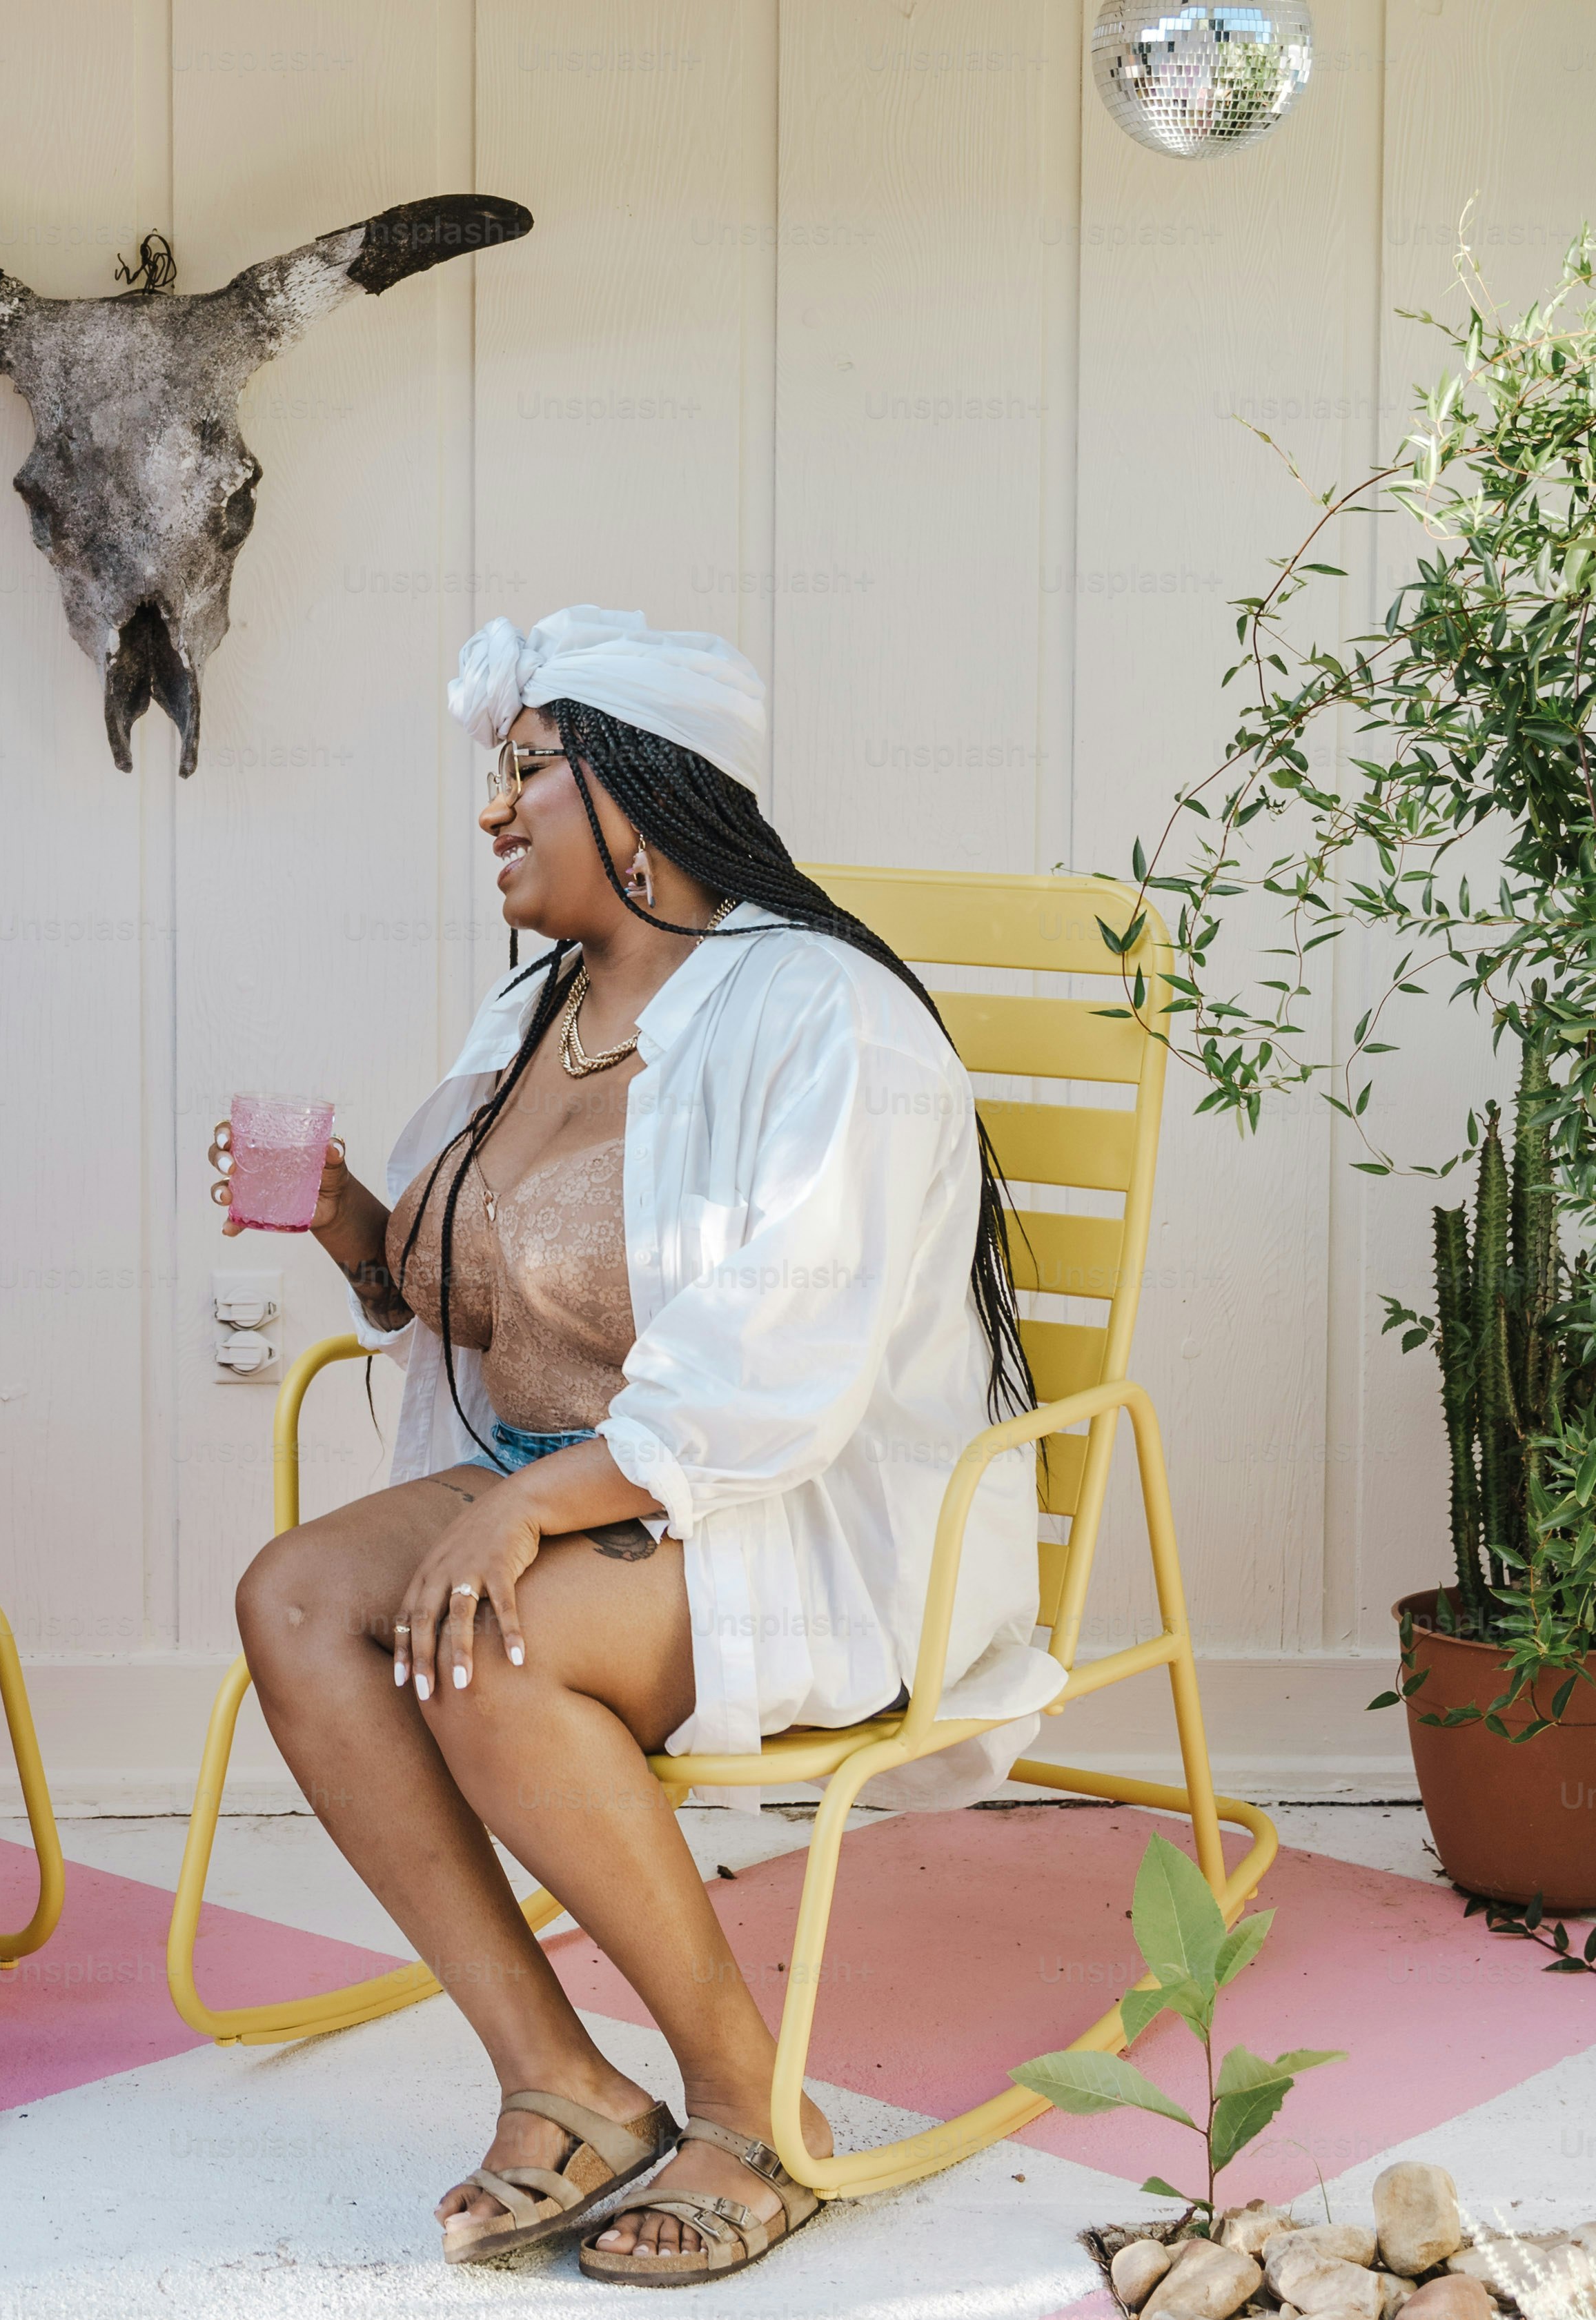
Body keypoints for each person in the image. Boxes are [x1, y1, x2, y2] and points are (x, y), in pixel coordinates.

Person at [214, 609, 1058, 2286]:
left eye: (526, 768)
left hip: (777, 1511)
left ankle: (751, 2111)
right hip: (562, 1477)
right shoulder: (538, 1003)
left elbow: (786, 1358)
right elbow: (480, 1290)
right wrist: (352, 1223)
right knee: (295, 1598)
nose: (488, 809)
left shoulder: (823, 1014)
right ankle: (564, 2082)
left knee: (485, 1639)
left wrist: (535, 1504)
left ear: (640, 789)